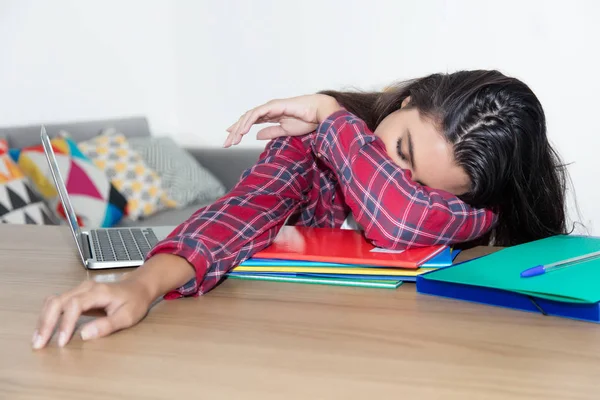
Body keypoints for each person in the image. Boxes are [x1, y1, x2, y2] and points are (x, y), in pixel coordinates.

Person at [31, 69, 569, 349]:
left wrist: (334, 120)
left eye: (423, 186)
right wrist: (142, 285)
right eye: (399, 149)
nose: (397, 177)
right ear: (405, 102)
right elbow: (243, 211)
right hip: (312, 341)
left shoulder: (473, 208)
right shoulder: (310, 144)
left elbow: (401, 218)